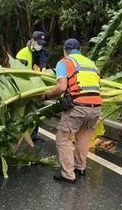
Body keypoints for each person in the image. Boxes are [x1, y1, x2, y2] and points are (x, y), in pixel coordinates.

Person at [41, 38, 102, 183]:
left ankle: (68, 174)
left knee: (63, 138)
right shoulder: (91, 64)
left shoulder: (64, 62)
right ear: (80, 50)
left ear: (65, 51)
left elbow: (61, 86)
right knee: (84, 138)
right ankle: (80, 168)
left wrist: (46, 95)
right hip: (96, 107)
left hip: (78, 106)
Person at [16, 31, 49, 142]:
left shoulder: (43, 53)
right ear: (33, 41)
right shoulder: (23, 53)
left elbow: (44, 67)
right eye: (38, 43)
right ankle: (18, 133)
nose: (40, 45)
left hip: (37, 87)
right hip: (24, 87)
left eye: (42, 43)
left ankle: (34, 134)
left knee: (36, 111)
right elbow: (17, 70)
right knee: (22, 111)